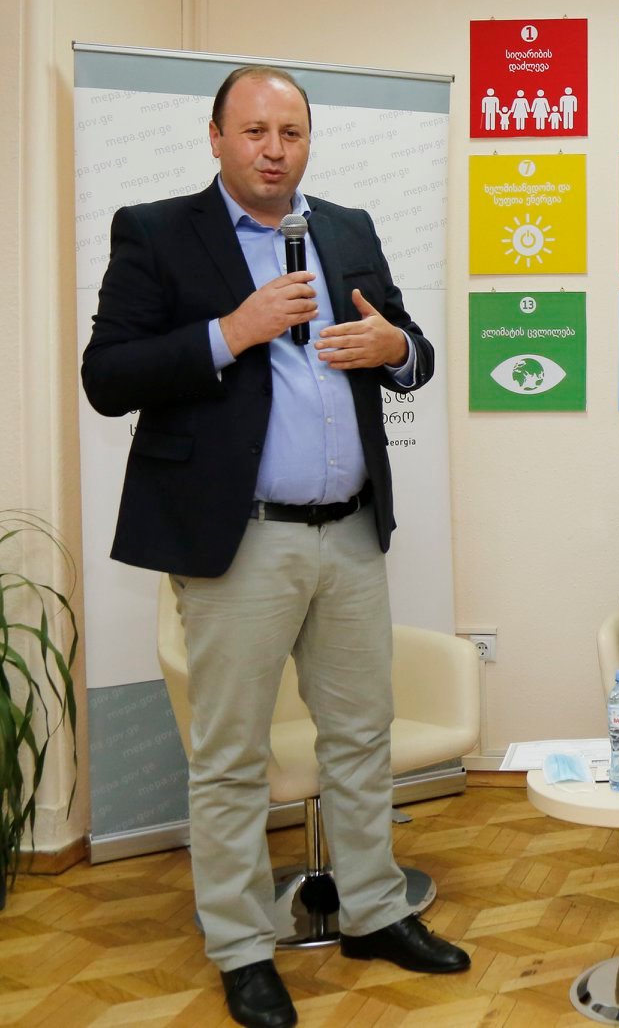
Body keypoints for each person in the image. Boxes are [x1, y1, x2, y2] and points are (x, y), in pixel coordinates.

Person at [81, 66, 468, 1028]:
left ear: (307, 142)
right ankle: (243, 947)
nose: (273, 149)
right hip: (240, 541)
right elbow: (108, 375)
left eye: (290, 133)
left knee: (361, 736)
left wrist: (396, 352)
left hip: (349, 533)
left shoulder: (347, 228)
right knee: (230, 758)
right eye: (254, 130)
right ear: (216, 137)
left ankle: (374, 910)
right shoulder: (157, 232)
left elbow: (411, 347)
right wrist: (230, 332)